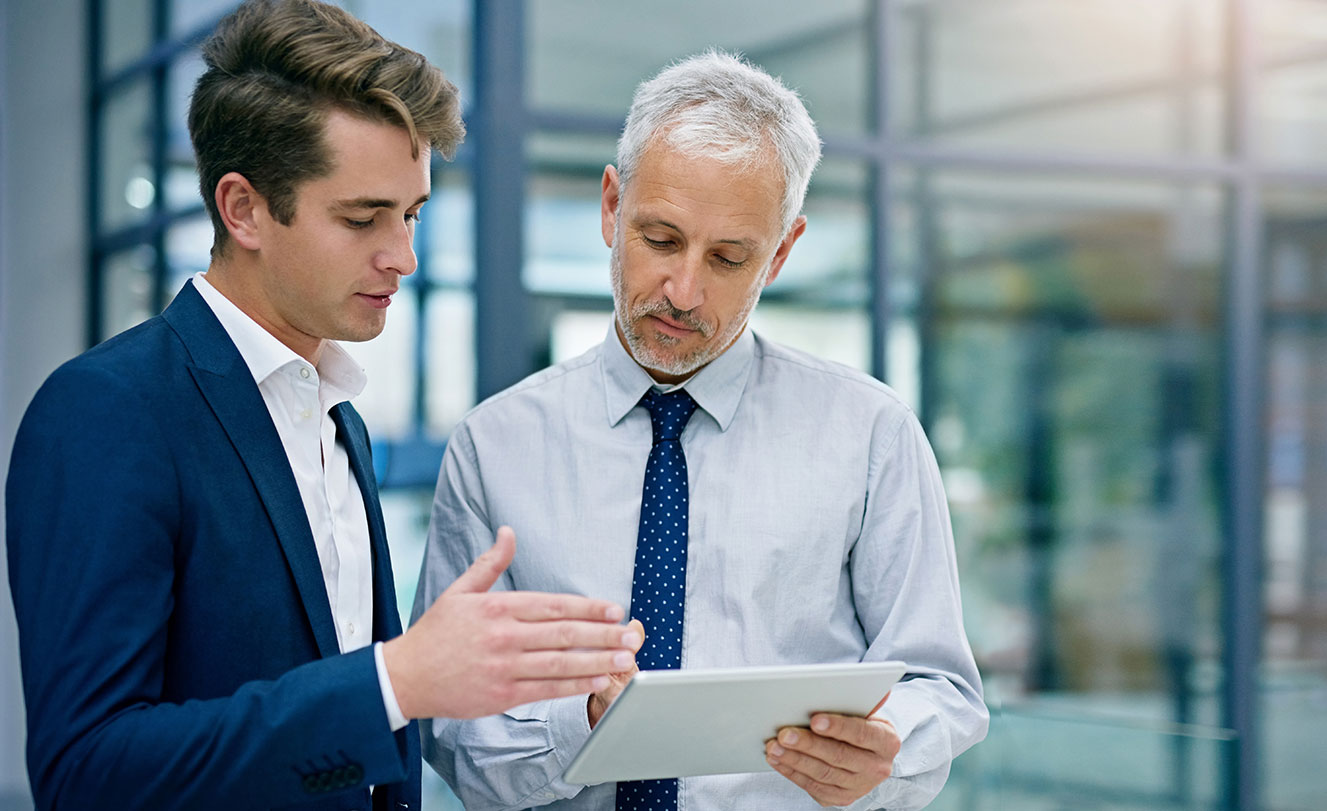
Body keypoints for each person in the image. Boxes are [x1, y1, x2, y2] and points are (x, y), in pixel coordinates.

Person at [4, 2, 636, 809]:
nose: (403, 256)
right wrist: (394, 681)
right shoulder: (107, 411)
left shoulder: (342, 420)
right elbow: (87, 772)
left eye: (410, 214)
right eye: (362, 218)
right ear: (243, 209)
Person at [413, 50, 988, 811]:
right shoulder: (495, 446)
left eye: (728, 257)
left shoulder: (871, 435)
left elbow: (942, 689)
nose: (684, 290)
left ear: (780, 253)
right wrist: (581, 724)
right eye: (660, 239)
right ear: (612, 208)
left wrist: (889, 749)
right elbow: (451, 734)